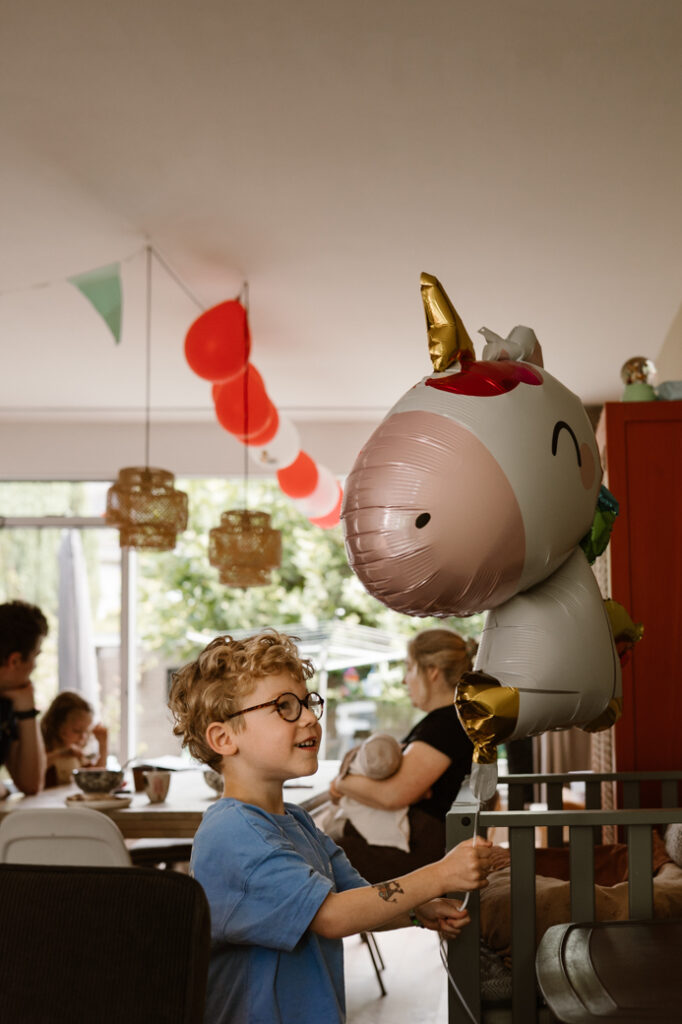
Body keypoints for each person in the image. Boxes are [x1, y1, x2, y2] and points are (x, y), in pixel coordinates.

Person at [168, 630, 492, 1024]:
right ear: (223, 737)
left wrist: (415, 911)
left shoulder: (297, 820)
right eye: (284, 707)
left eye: (307, 703)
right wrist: (439, 876)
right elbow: (331, 916)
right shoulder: (234, 835)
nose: (308, 718)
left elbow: (356, 899)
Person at [330, 628, 476, 882]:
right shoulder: (450, 721)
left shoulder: (445, 725)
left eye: (409, 668)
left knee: (319, 858)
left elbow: (392, 795)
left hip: (420, 853)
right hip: (424, 844)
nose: (403, 680)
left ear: (432, 672)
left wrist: (341, 782)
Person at [0, 600, 48, 796]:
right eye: (35, 655)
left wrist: (27, 711)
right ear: (15, 660)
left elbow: (31, 784)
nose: (35, 667)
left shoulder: (6, 703)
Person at [41, 690, 108, 787]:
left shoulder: (77, 756)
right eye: (77, 731)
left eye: (86, 731)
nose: (83, 737)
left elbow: (96, 777)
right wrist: (61, 754)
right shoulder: (42, 751)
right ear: (58, 726)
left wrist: (103, 745)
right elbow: (33, 770)